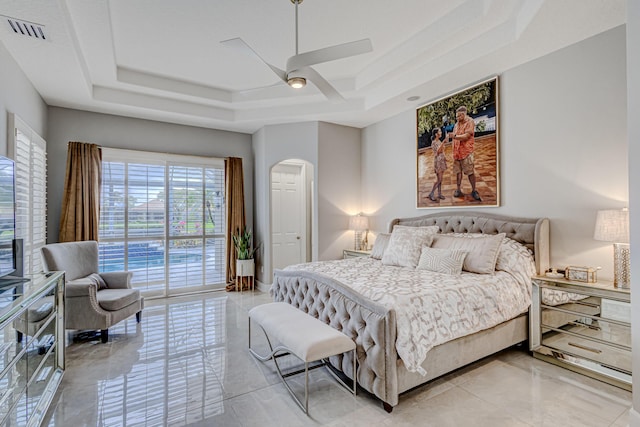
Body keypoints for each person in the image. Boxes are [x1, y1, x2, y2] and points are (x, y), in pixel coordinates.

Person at [450, 106, 482, 201]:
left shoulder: (470, 122)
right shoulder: (456, 124)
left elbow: (467, 136)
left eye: (458, 116)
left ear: (463, 114)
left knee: (470, 172)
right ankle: (458, 190)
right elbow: (455, 137)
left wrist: (454, 136)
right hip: (457, 153)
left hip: (466, 152)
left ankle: (474, 190)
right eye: (456, 116)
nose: (457, 118)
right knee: (458, 172)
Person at [428, 128, 447, 202]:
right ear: (436, 134)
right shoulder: (434, 142)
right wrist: (443, 142)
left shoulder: (438, 141)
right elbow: (438, 151)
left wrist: (445, 158)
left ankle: (439, 194)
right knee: (439, 179)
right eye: (439, 131)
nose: (441, 132)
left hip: (441, 161)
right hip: (438, 162)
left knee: (440, 179)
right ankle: (431, 193)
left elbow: (442, 151)